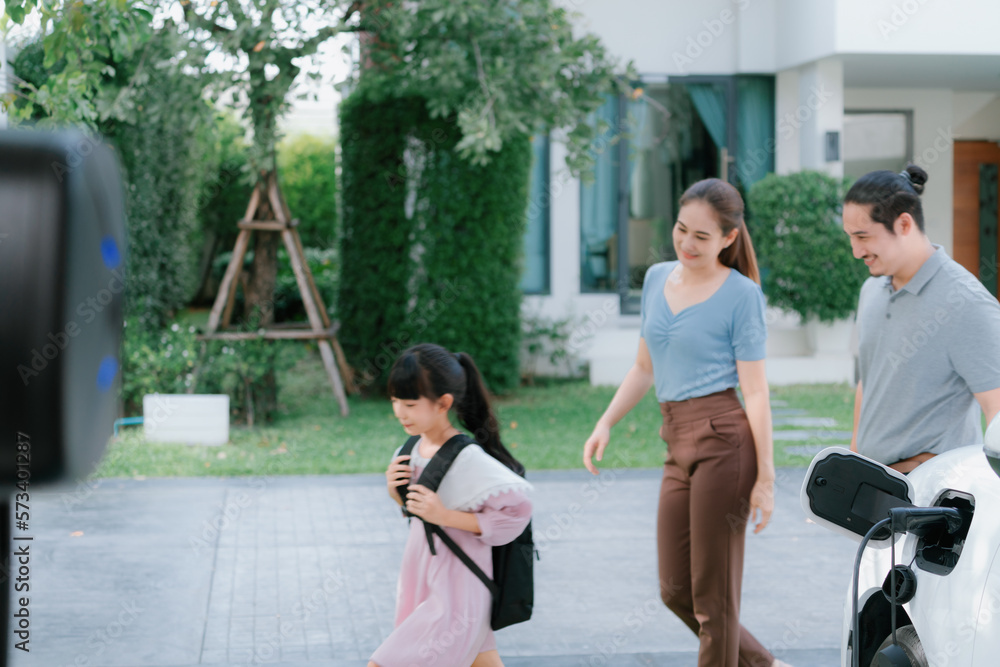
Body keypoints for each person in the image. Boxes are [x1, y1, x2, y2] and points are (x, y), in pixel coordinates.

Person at [583, 178, 786, 667]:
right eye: (681, 229)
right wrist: (605, 421)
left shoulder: (741, 296)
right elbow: (644, 367)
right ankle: (767, 664)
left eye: (702, 236)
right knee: (675, 588)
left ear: (728, 239)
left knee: (712, 599)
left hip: (724, 440)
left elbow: (755, 392)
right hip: (675, 437)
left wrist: (766, 477)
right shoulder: (657, 279)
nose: (687, 244)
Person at [370, 343, 532, 667]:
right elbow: (419, 514)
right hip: (422, 579)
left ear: (443, 403)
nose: (400, 412)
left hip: (457, 589)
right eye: (394, 401)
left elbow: (518, 510)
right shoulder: (411, 447)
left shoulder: (468, 457)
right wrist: (397, 494)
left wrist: (445, 515)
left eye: (410, 403)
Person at [844, 164, 1000, 472]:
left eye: (863, 236)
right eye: (850, 237)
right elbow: (869, 381)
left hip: (935, 499)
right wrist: (853, 462)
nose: (855, 251)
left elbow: (996, 408)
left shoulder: (966, 302)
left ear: (904, 224)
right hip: (873, 486)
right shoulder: (871, 289)